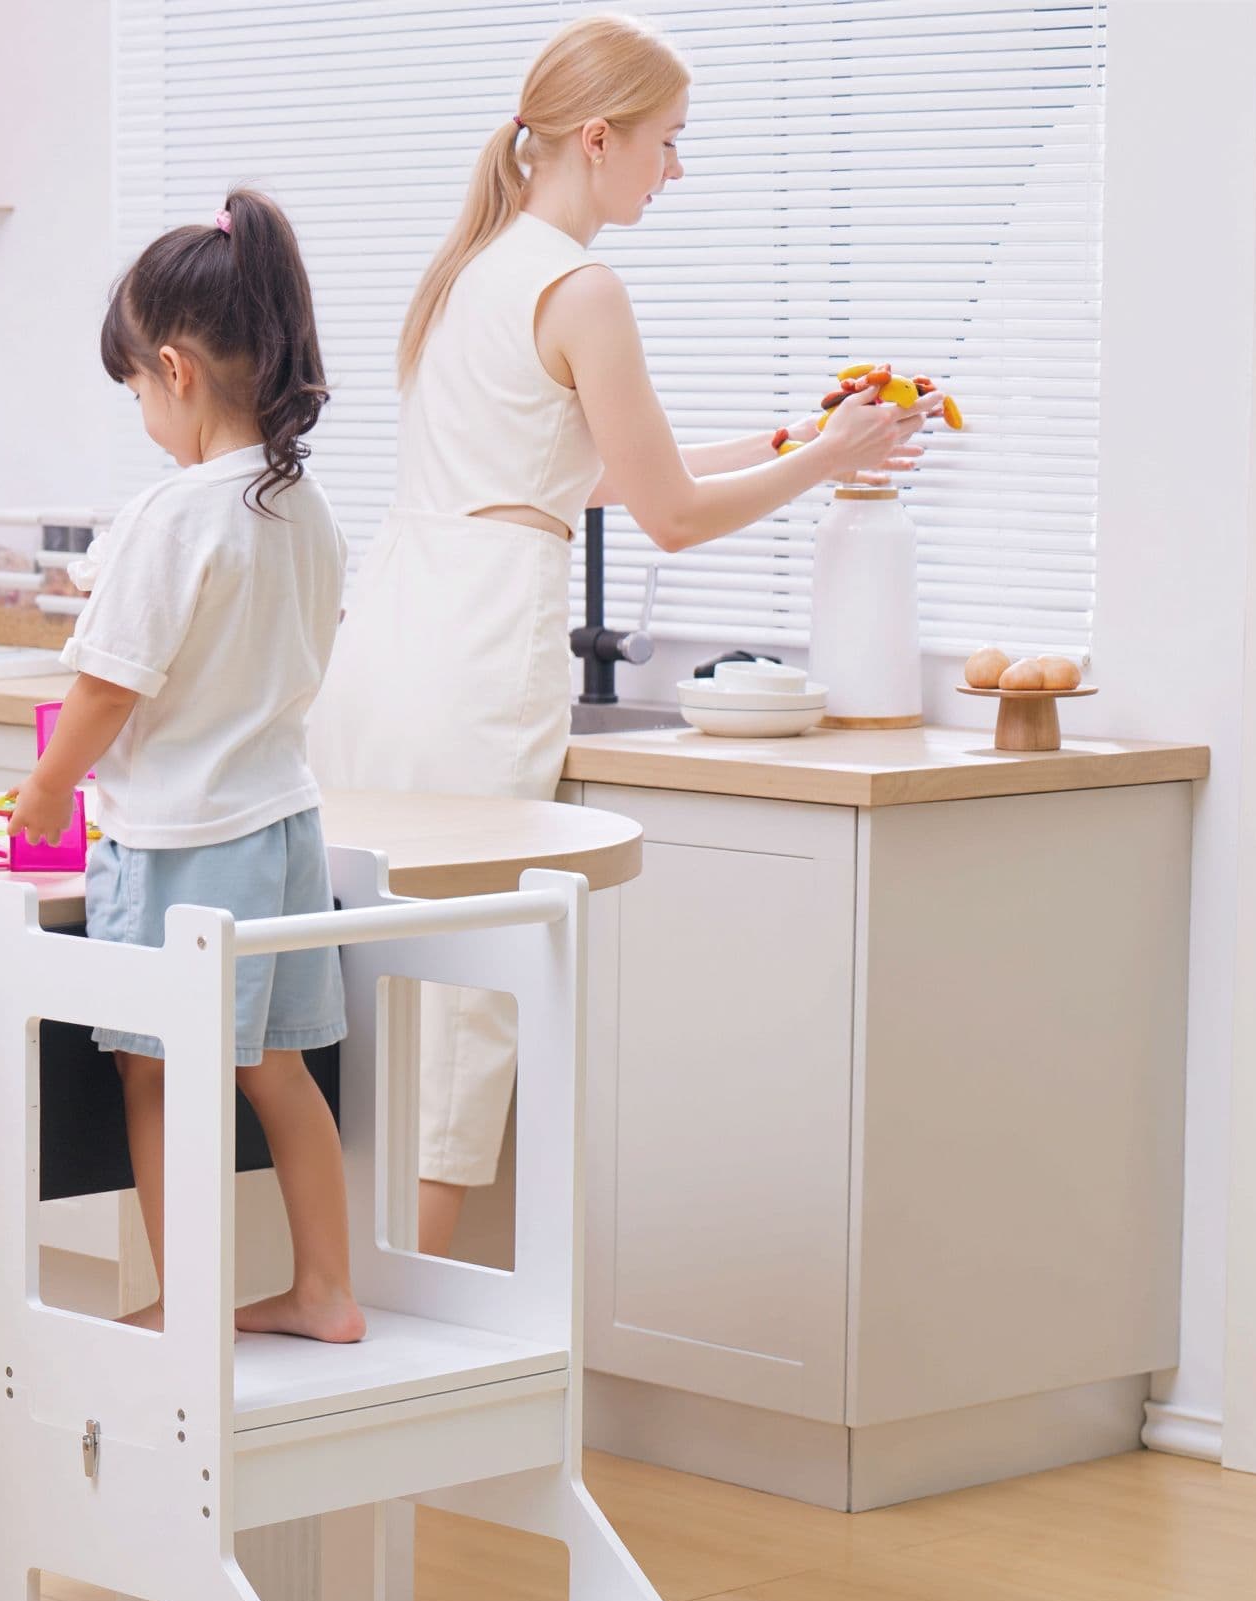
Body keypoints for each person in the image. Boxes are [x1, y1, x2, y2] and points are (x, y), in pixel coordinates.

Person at [308, 12, 935, 1257]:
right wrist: (830, 459)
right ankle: (406, 1315)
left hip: (384, 638)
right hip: (475, 652)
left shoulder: (471, 267)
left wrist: (784, 444)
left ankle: (346, 1293)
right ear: (594, 139)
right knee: (461, 1000)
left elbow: (571, 472)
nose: (674, 171)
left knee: (372, 979)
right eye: (665, 143)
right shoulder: (582, 286)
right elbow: (668, 515)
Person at [8, 188, 364, 1345]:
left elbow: (108, 684)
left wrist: (48, 788)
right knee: (275, 1069)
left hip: (183, 845)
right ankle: (324, 1288)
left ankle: (188, 1304)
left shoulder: (173, 511)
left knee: (158, 1074)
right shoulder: (302, 504)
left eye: (133, 393)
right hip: (279, 830)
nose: (141, 418)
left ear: (173, 370)